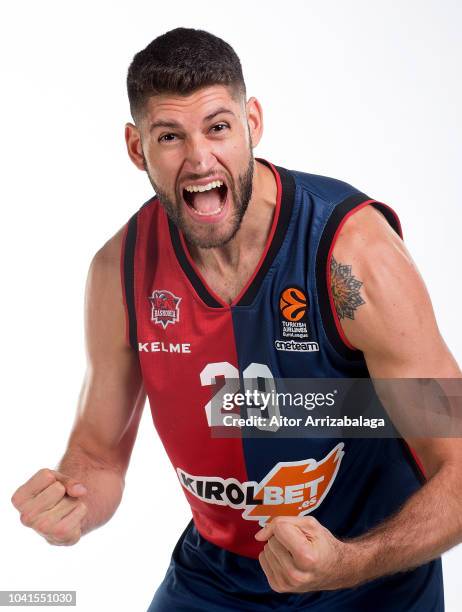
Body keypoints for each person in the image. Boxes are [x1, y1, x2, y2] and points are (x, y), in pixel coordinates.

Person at [11, 27, 461, 611]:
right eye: (170, 136)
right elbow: (96, 456)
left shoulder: (351, 256)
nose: (200, 159)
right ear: (135, 147)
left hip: (369, 577)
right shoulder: (119, 272)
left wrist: (349, 562)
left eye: (218, 127)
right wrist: (69, 505)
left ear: (252, 122)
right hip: (217, 577)